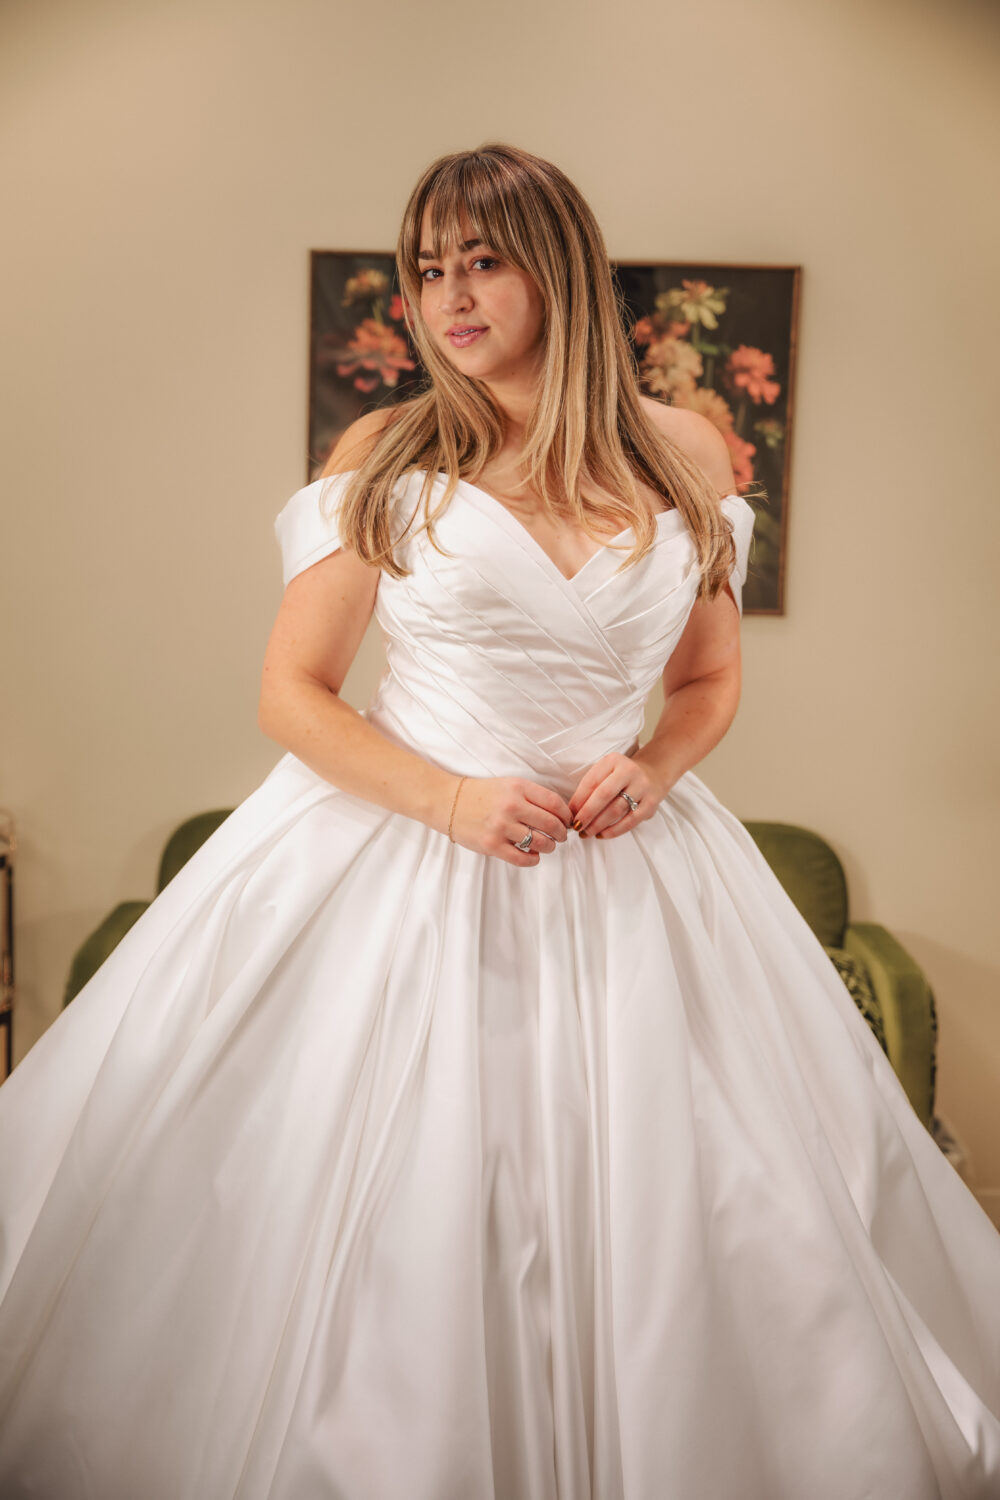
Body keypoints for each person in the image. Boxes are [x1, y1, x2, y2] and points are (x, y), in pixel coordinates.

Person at [0, 142, 998, 1500]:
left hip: (636, 872)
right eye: (426, 266)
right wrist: (455, 799)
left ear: (561, 266)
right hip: (403, 856)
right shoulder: (388, 454)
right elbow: (292, 695)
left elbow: (707, 678)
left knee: (715, 1223)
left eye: (481, 258)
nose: (448, 294)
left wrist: (654, 765)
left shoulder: (686, 452)